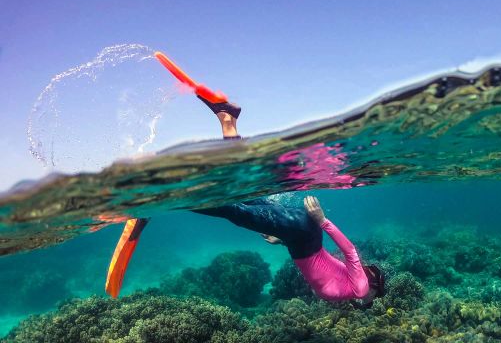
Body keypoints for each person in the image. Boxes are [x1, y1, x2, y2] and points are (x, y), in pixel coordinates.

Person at [106, 93, 385, 305]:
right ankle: (160, 196)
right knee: (234, 209)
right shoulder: (360, 289)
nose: (369, 302)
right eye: (375, 298)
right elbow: (349, 252)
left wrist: (284, 236)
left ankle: (228, 122)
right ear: (374, 288)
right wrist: (323, 221)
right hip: (303, 232)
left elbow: (320, 261)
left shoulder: (350, 285)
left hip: (299, 234)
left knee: (243, 197)